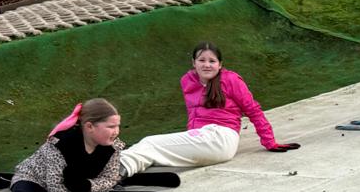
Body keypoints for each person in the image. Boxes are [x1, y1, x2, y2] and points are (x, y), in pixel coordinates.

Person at [120, 42, 299, 177]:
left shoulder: (230, 80)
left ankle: (113, 172)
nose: (207, 65)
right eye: (202, 60)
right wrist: (191, 135)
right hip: (202, 138)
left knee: (150, 142)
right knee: (150, 150)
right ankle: (117, 170)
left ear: (220, 64)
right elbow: (193, 114)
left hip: (220, 136)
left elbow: (253, 110)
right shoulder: (187, 81)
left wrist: (270, 142)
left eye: (212, 61)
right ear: (194, 62)